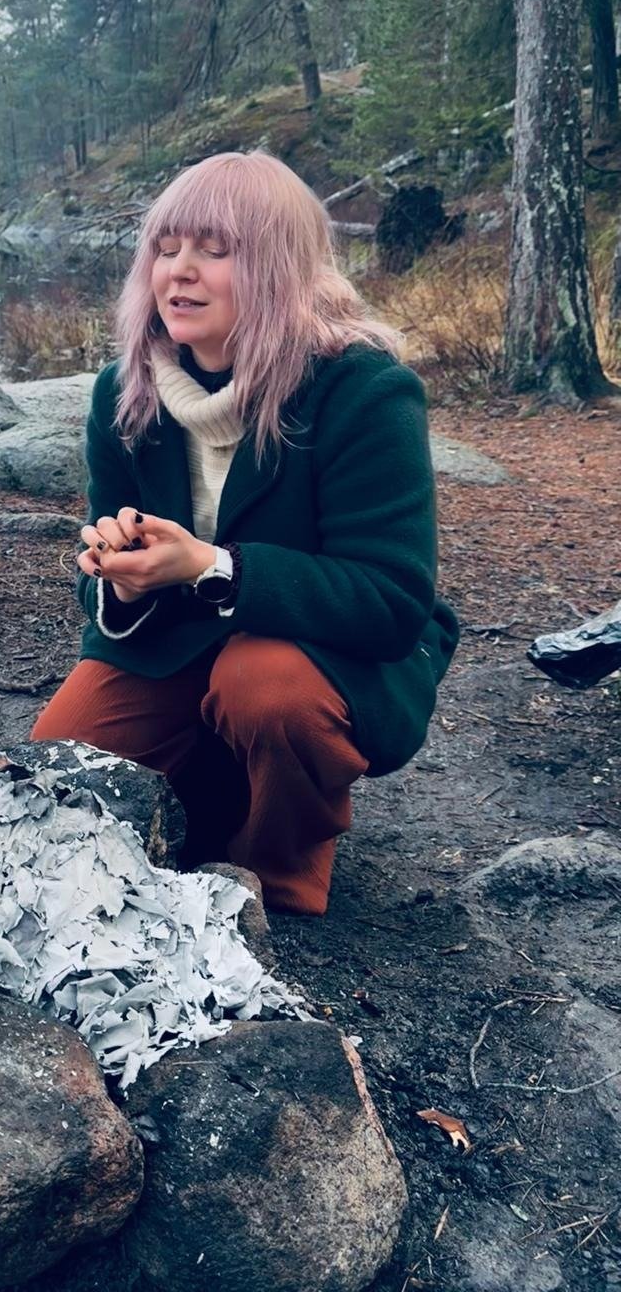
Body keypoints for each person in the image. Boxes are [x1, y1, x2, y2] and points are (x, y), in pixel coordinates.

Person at [31, 151, 459, 915]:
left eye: (213, 251)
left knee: (267, 690)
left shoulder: (363, 391)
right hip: (180, 641)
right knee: (59, 770)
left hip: (328, 653)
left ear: (277, 267)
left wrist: (213, 568)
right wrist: (118, 576)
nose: (179, 273)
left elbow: (392, 599)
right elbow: (102, 575)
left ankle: (280, 869)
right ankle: (218, 792)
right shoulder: (124, 393)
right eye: (166, 250)